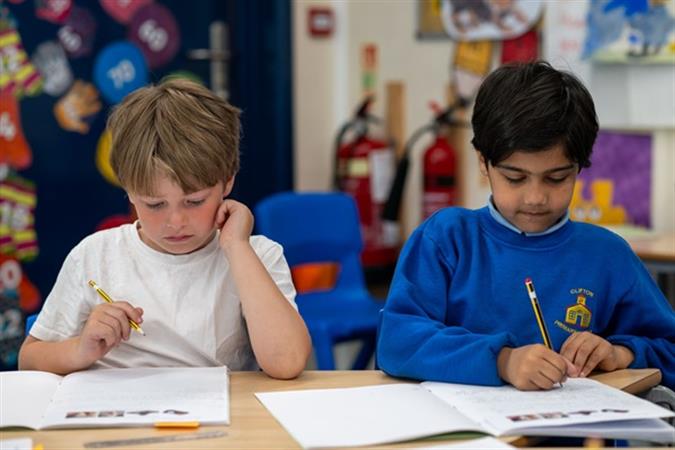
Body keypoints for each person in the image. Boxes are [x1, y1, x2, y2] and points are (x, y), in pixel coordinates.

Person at [377, 61, 675, 390]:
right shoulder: (446, 241)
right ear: (483, 162)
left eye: (556, 178)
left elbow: (669, 349)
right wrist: (502, 360)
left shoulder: (607, 256)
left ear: (579, 167)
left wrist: (621, 353)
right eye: (515, 178)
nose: (535, 198)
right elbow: (396, 343)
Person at [18, 79, 311, 379]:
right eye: (155, 204)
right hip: (117, 407)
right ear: (128, 190)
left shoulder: (257, 256)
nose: (176, 221)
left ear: (227, 182)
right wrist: (81, 349)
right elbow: (29, 360)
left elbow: (287, 362)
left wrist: (237, 246)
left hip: (218, 407)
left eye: (194, 201)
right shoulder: (95, 255)